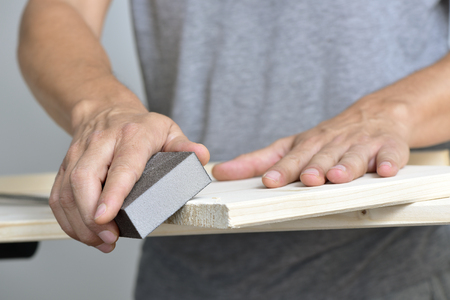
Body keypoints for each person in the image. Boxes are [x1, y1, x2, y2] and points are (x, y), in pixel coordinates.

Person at [18, 0, 450, 299]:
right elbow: (60, 8)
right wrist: (102, 107)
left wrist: (392, 112)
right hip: (184, 278)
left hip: (398, 273)